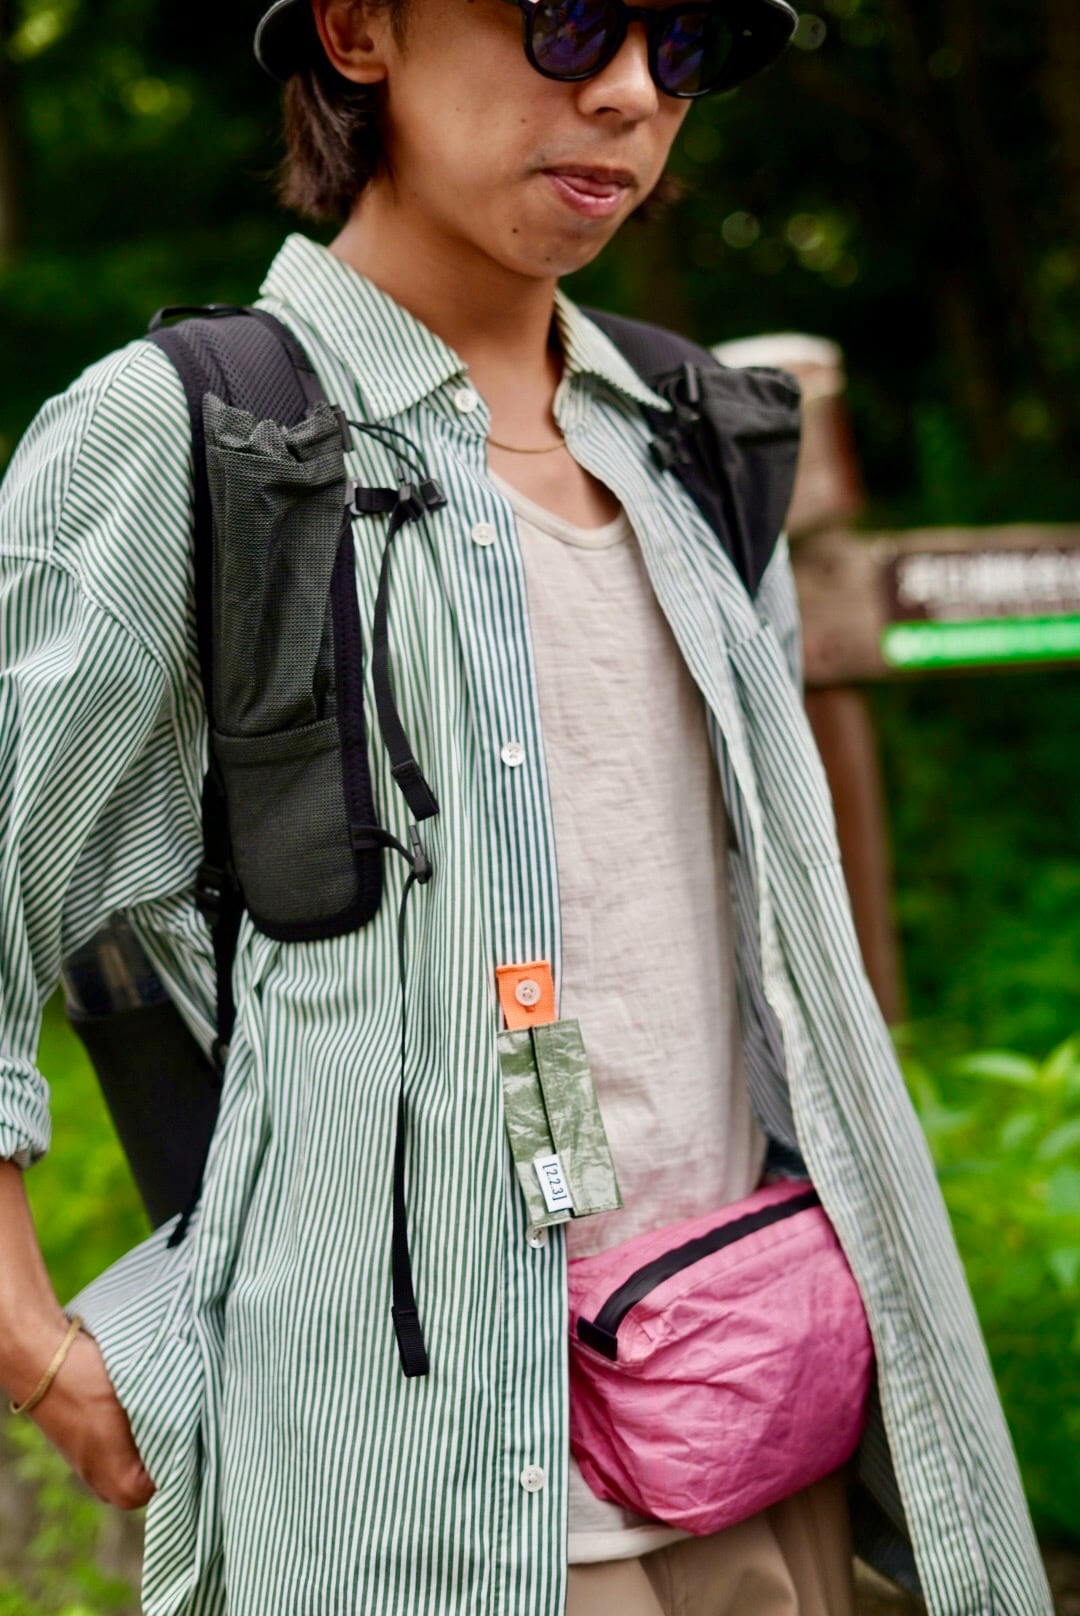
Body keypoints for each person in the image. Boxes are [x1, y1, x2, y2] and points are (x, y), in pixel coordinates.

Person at [0, 0, 1053, 1612]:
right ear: (360, 28)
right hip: (409, 1493)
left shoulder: (692, 438)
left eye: (683, 45)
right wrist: (35, 1347)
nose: (631, 92)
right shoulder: (185, 436)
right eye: (567, 20)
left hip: (754, 1419)